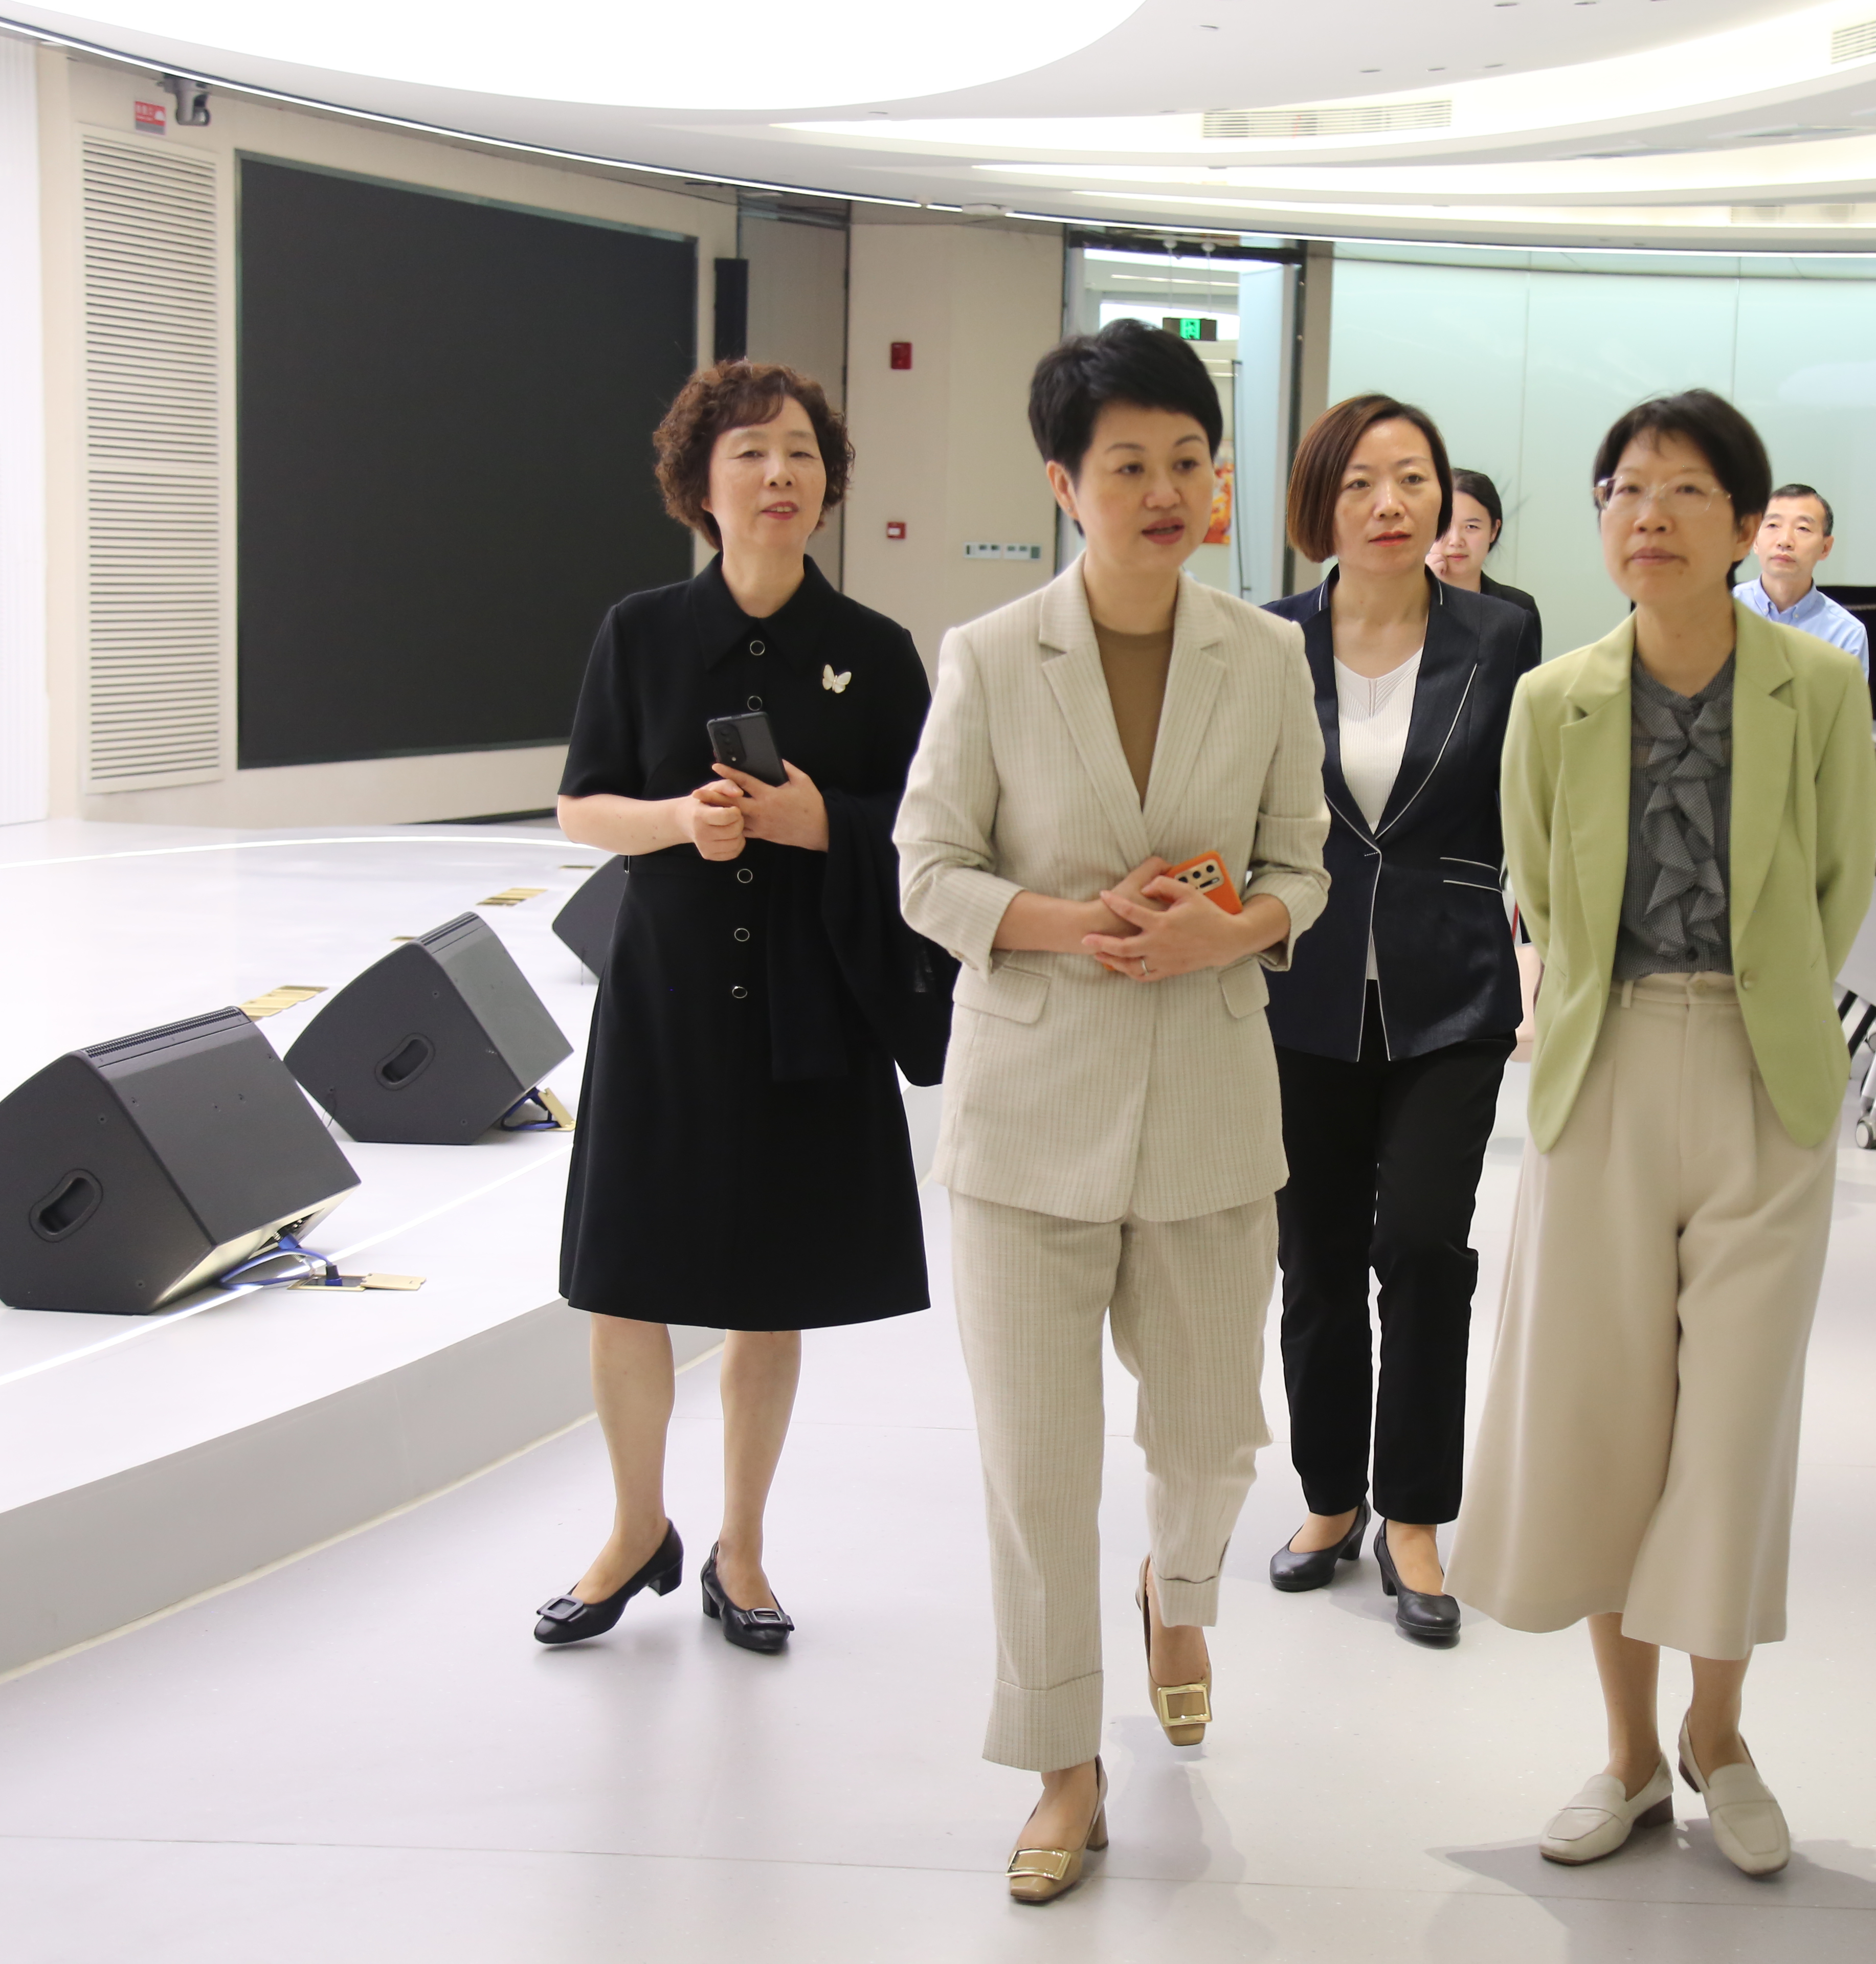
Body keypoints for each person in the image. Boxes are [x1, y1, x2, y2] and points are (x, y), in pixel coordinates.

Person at [895, 320, 1330, 1906]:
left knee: (1211, 1435)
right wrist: (1073, 924)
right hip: (1029, 1118)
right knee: (1036, 1468)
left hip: (1210, 1106)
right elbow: (928, 870)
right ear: (1065, 485)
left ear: (1219, 480)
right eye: (1128, 463)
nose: (1162, 490)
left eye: (1187, 461)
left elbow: (1302, 866)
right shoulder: (991, 655)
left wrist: (1237, 930)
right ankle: (1061, 1763)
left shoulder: (1265, 657)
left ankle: (1181, 1590)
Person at [1455, 392, 1876, 1878]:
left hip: (1764, 1068)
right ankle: (1632, 1753)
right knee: (1604, 1415)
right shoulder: (1552, 699)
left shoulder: (1816, 688)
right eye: (1624, 489)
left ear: (1746, 521)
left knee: (1734, 1422)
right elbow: (1536, 885)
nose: (1648, 514)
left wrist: (1763, 1007)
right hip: (1608, 1057)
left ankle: (1720, 1730)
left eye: (1686, 489)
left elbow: (1839, 880)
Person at [538, 362, 952, 1658]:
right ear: (699, 485)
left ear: (828, 484)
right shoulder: (641, 631)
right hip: (663, 1002)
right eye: (750, 454)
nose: (779, 475)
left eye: (801, 454)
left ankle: (743, 1547)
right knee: (625, 1282)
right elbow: (580, 807)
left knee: (770, 1291)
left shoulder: (875, 652)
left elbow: (934, 832)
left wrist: (819, 820)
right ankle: (634, 1529)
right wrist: (680, 820)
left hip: (806, 1001)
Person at [1262, 399, 1536, 1646]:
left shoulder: (1499, 633)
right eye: (1362, 481)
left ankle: (1415, 1512)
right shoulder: (1269, 640)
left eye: (1413, 478)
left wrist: (1548, 941)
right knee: (1315, 1255)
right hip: (1299, 982)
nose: (1390, 503)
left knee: (1424, 1243)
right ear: (1319, 503)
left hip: (1452, 983)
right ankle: (1331, 1494)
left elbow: (1527, 801)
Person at [1732, 483, 1870, 677]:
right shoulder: (1719, 611)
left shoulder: (1846, 633)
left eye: (1803, 529)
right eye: (1773, 525)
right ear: (1755, 540)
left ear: (1825, 548)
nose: (1785, 541)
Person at [1426, 467, 1544, 661]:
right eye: (1444, 525)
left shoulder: (1518, 609)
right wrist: (1426, 594)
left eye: (1471, 527)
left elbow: (1526, 680)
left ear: (1493, 531)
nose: (1456, 541)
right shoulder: (1403, 603)